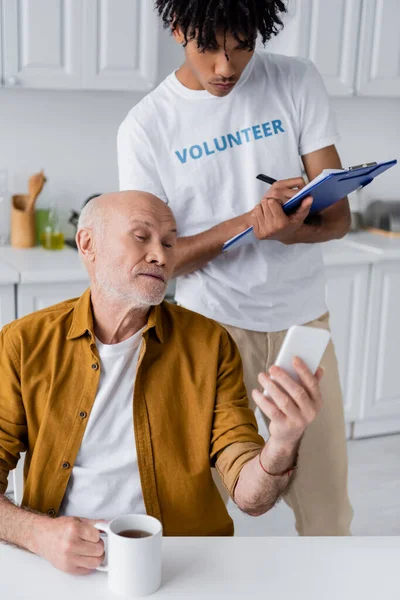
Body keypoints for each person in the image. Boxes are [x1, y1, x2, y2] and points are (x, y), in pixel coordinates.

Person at [117, 0, 353, 536]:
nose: (227, 66)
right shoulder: (146, 127)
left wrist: (290, 228)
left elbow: (339, 219)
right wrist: (248, 222)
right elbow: (157, 261)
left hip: (302, 328)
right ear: (177, 29)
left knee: (328, 513)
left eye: (241, 45)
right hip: (210, 334)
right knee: (203, 510)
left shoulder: (295, 81)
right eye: (209, 47)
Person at [0, 191, 324, 574]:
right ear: (87, 244)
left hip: (182, 562)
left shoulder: (210, 344)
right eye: (142, 237)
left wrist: (282, 444)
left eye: (170, 242)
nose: (162, 255)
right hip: (64, 563)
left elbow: (250, 496)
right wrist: (38, 534)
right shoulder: (24, 343)